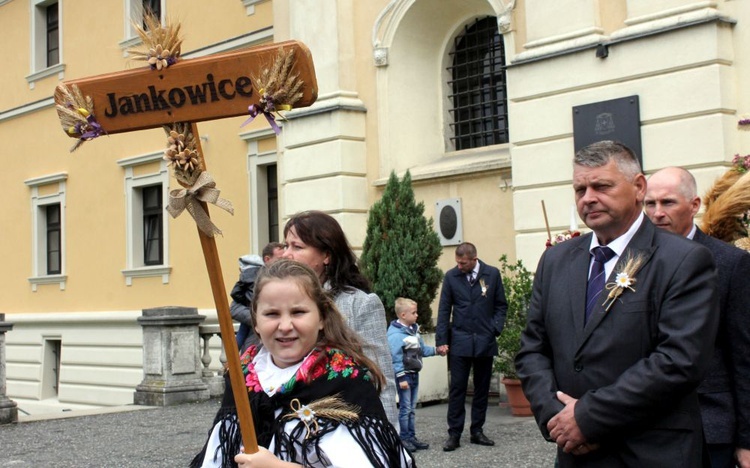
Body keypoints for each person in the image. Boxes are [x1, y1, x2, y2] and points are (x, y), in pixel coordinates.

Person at [515, 140, 720, 467]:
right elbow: (532, 349)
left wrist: (586, 418)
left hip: (651, 452)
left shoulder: (684, 260)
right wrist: (557, 418)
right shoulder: (556, 261)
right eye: (580, 189)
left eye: (602, 186)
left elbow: (679, 360)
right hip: (574, 454)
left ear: (639, 187)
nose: (589, 198)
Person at [194, 260, 413, 467]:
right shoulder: (241, 377)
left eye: (298, 312)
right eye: (271, 314)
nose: (285, 325)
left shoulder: (345, 381)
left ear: (321, 318)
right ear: (256, 322)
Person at [644, 167, 750, 468]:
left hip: (709, 425)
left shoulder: (731, 263)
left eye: (668, 203)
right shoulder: (635, 262)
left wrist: (746, 440)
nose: (657, 213)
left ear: (694, 205)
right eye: (650, 204)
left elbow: (744, 357)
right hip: (646, 427)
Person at [280, 210, 399, 429]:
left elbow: (380, 378)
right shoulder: (278, 302)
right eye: (286, 245)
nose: (287, 254)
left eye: (297, 247)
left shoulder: (360, 304)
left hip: (342, 424)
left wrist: (388, 436)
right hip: (287, 420)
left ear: (326, 255)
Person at [435, 242, 508, 452]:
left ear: (474, 259)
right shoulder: (451, 277)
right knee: (457, 388)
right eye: (457, 262)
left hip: (485, 340)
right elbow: (443, 310)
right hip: (460, 340)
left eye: (463, 262)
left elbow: (501, 305)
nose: (459, 266)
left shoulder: (491, 274)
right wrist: (442, 340)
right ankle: (454, 433)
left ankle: (477, 430)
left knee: (482, 388)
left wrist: (496, 328)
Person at [387, 297, 443, 452]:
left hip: (413, 375)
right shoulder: (396, 336)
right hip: (404, 377)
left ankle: (411, 437)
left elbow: (422, 350)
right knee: (405, 409)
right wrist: (401, 377)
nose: (417, 315)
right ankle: (404, 438)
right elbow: (395, 358)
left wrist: (437, 351)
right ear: (403, 315)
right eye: (414, 312)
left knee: (411, 408)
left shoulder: (414, 332)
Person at [230, 242, 285, 353]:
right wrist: (261, 319)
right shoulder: (257, 278)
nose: (284, 262)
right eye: (280, 259)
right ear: (267, 259)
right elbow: (234, 308)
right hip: (255, 342)